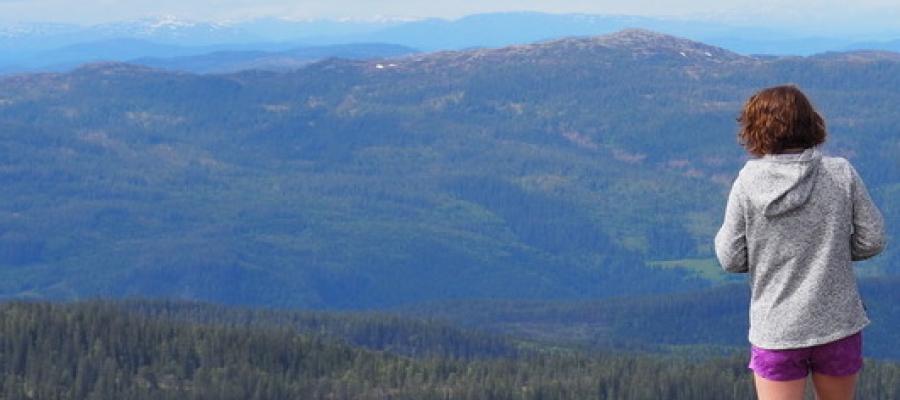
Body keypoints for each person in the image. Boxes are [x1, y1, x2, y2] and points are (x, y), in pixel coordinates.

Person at [714, 85, 886, 400]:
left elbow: (730, 258)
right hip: (838, 324)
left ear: (755, 129)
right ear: (811, 123)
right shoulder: (841, 173)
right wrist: (830, 250)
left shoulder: (748, 182)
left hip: (777, 329)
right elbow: (872, 239)